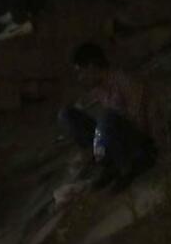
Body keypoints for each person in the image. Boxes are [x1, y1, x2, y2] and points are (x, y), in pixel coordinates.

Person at [59, 42, 155, 191]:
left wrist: (105, 134)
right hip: (117, 137)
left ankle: (127, 168)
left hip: (139, 144)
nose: (80, 78)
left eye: (80, 72)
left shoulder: (124, 81)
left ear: (91, 67)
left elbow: (142, 123)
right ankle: (109, 165)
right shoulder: (99, 88)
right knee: (67, 115)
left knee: (107, 118)